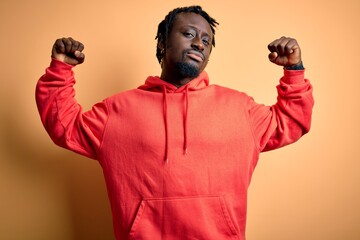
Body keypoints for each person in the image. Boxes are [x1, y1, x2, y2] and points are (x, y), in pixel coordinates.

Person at [36, 5, 314, 240]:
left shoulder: (240, 108)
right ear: (162, 42)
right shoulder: (117, 110)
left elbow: (292, 120)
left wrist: (293, 69)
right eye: (189, 34)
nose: (198, 44)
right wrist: (61, 69)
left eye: (206, 40)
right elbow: (65, 126)